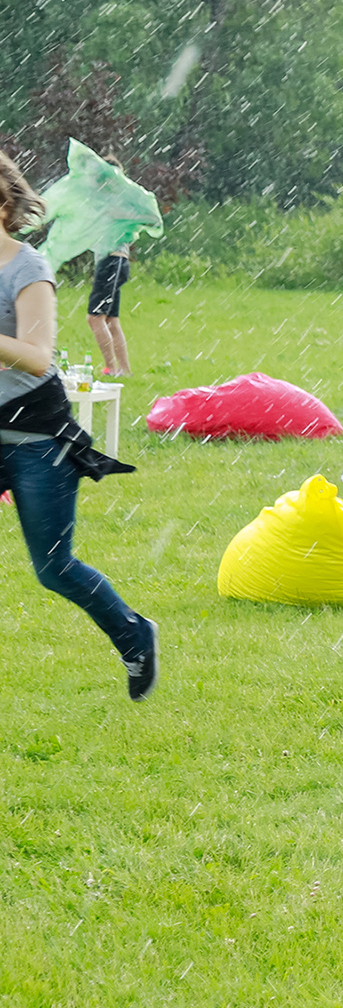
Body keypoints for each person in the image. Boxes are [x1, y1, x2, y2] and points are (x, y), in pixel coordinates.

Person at [0, 153, 155, 698]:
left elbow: (39, 357)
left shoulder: (27, 269)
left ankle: (134, 635)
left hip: (36, 437)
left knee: (53, 567)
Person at [87, 243, 132, 377]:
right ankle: (125, 370)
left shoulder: (109, 221)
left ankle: (111, 369)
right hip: (119, 263)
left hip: (110, 263)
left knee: (95, 318)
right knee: (112, 320)